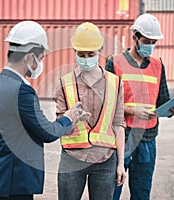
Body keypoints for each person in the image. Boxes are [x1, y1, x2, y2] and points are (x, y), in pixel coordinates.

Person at [0, 21, 90, 200]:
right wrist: (69, 118)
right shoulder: (22, 91)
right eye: (40, 58)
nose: (39, 63)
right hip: (15, 184)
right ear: (30, 58)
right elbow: (46, 132)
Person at [105, 14, 174, 200]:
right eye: (146, 41)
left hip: (147, 139)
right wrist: (132, 110)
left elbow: (163, 101)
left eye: (153, 42)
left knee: (142, 194)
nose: (150, 45)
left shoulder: (158, 66)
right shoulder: (115, 63)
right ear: (134, 36)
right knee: (110, 193)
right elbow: (105, 103)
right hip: (119, 138)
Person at [55, 22, 127, 200]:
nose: (86, 58)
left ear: (99, 51)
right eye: (81, 54)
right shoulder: (65, 83)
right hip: (72, 157)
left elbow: (119, 125)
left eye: (90, 54)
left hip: (105, 159)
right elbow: (59, 125)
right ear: (74, 52)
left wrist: (121, 163)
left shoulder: (115, 83)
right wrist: (71, 119)